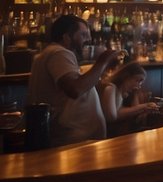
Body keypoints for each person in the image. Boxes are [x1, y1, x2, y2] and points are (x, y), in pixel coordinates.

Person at [27, 14, 118, 146]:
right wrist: (103, 60)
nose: (89, 39)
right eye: (83, 35)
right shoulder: (59, 52)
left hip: (74, 140)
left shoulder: (49, 54)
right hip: (70, 143)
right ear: (66, 37)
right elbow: (75, 89)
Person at [100, 62, 160, 134]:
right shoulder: (111, 88)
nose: (139, 85)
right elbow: (112, 116)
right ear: (126, 76)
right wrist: (145, 106)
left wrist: (144, 109)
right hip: (105, 134)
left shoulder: (125, 93)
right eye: (138, 80)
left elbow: (134, 115)